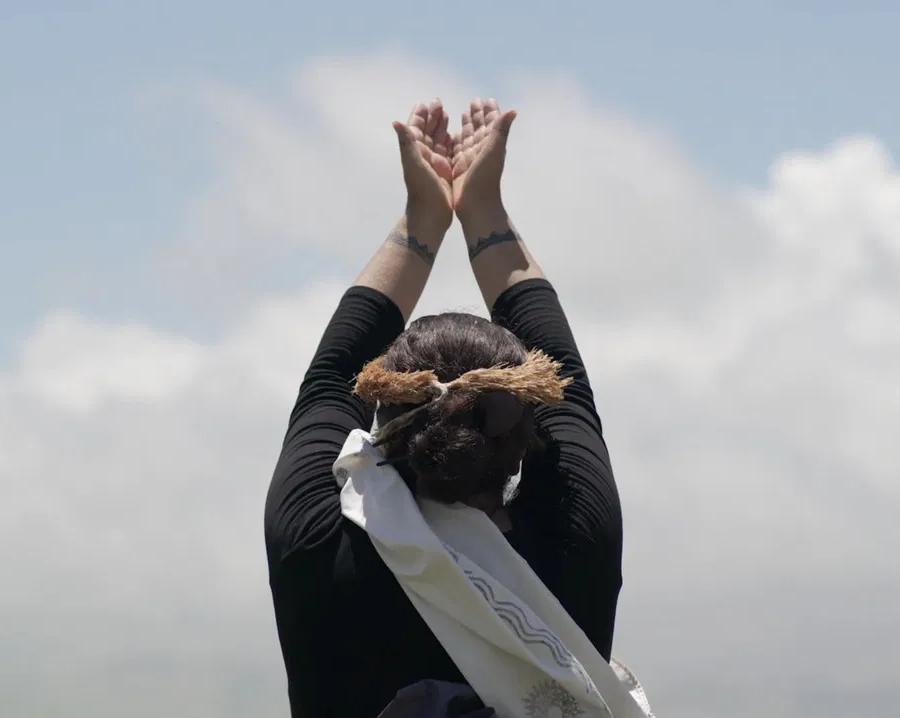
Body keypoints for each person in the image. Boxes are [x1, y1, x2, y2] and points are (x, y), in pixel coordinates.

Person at [263, 98, 633, 717]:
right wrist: (482, 208)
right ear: (521, 422)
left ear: (384, 406)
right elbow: (570, 392)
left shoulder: (314, 542)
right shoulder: (574, 541)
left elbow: (328, 382)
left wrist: (422, 219)